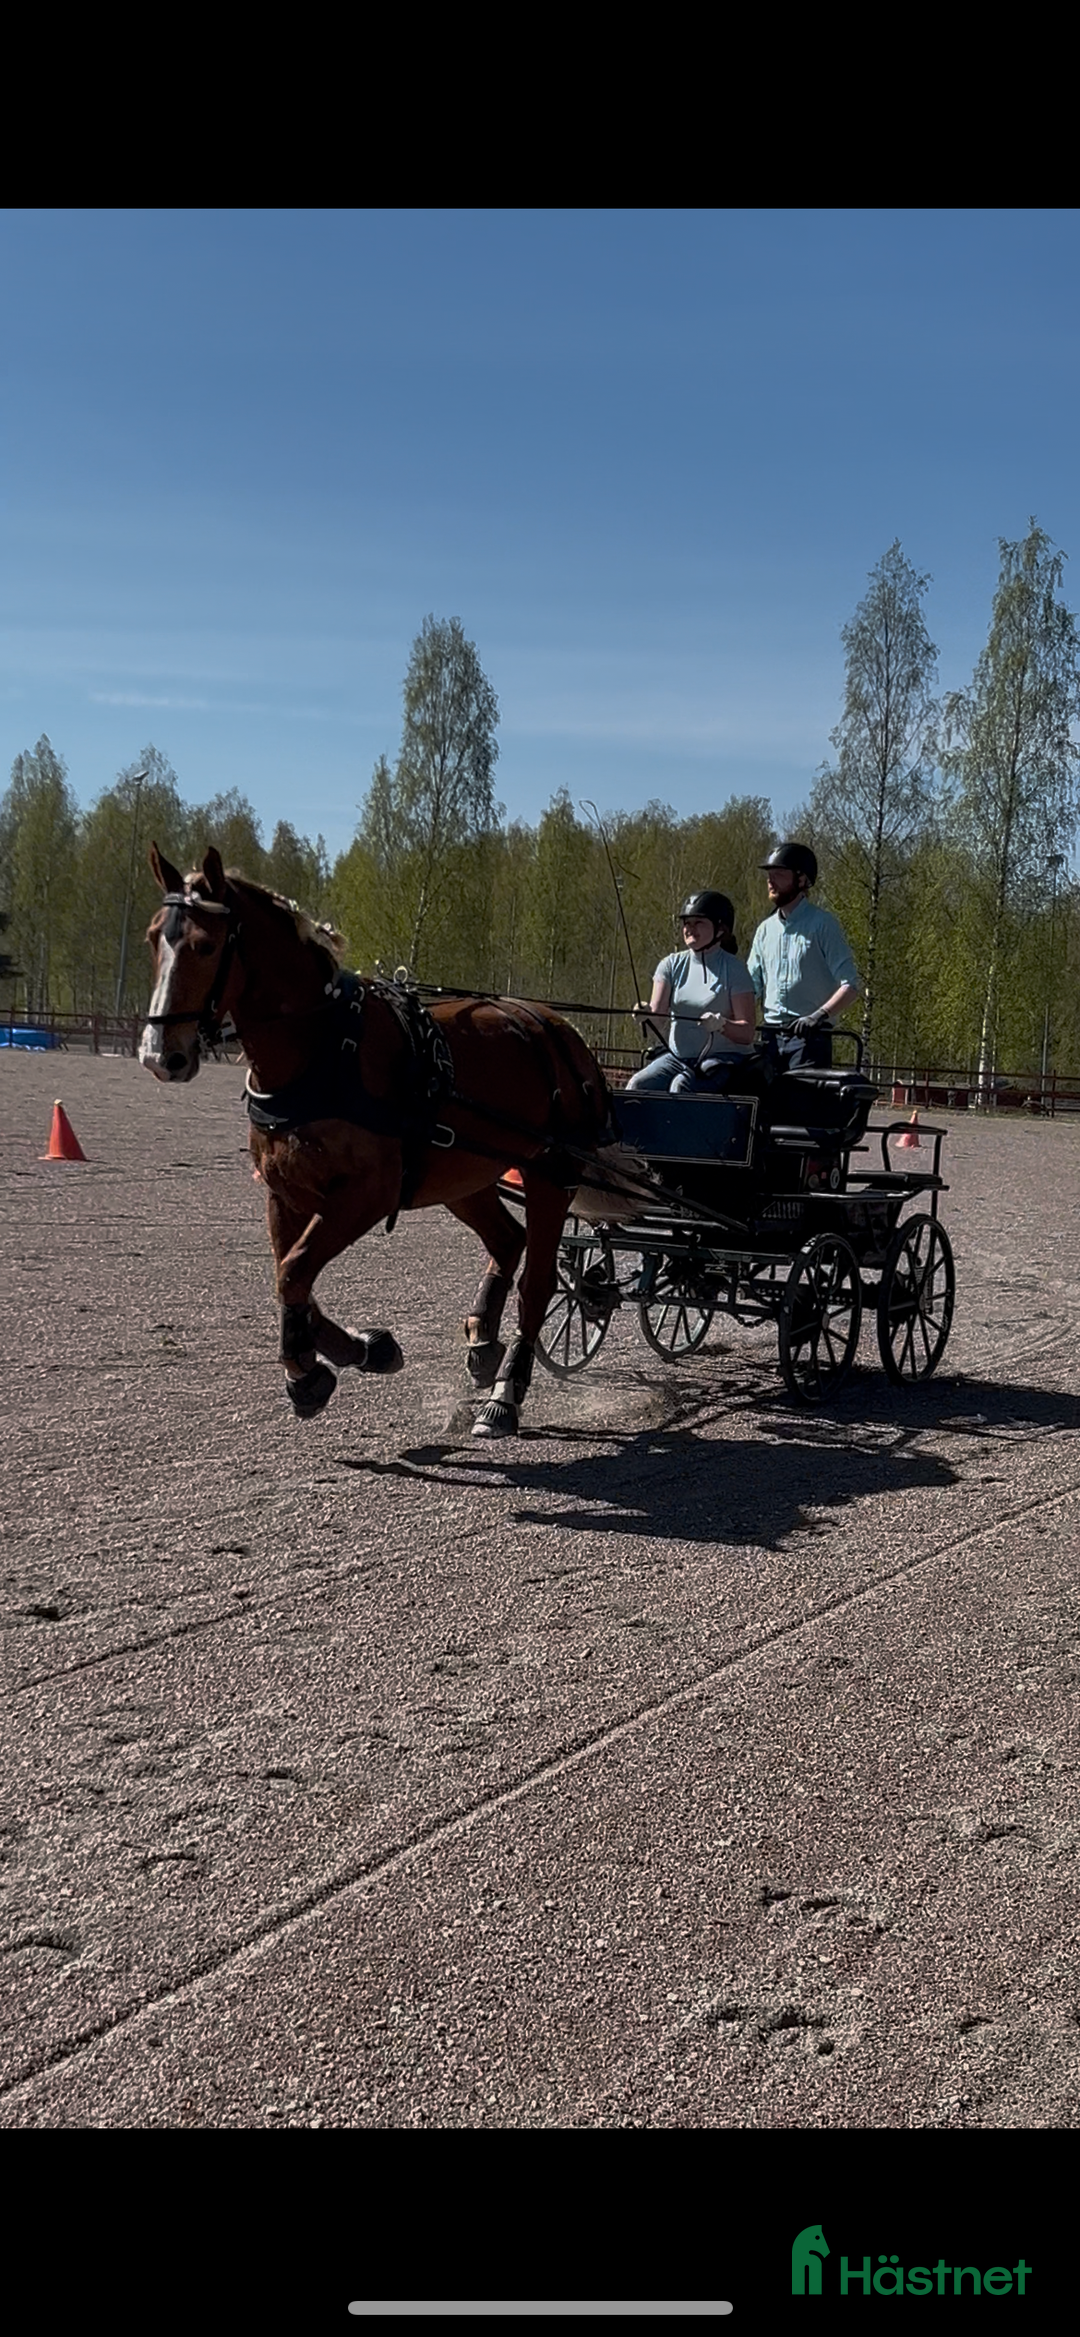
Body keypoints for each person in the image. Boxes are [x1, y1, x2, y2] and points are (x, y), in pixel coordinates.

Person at [627, 891, 757, 1092]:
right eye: (686, 923)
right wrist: (645, 1014)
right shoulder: (670, 965)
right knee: (638, 1084)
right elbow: (658, 1019)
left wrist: (722, 1025)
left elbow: (747, 1033)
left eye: (699, 923)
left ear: (720, 929)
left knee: (682, 1086)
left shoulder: (735, 970)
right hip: (678, 1058)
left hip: (724, 1060)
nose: (689, 929)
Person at [746, 843, 860, 1069]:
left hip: (810, 1038)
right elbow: (749, 987)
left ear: (801, 880)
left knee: (800, 1102)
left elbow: (850, 985)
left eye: (779, 874)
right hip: (770, 1036)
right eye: (769, 875)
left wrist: (817, 1016)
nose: (770, 881)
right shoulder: (764, 930)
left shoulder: (823, 925)